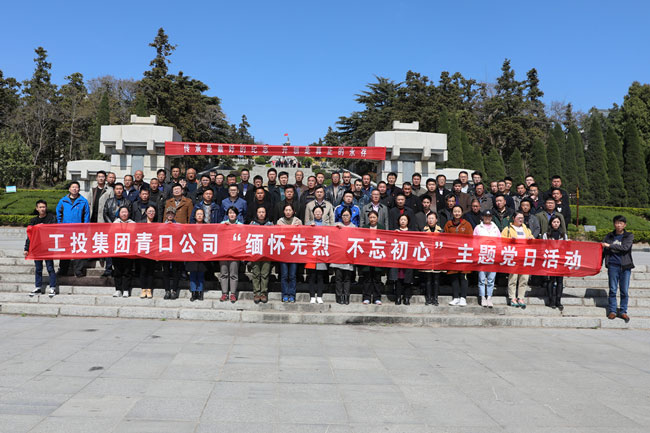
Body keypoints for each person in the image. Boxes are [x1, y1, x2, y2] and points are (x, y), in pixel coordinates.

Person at [602, 215, 634, 323]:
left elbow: (625, 248)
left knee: (624, 290)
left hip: (625, 266)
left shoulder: (629, 236)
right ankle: (612, 311)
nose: (618, 225)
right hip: (613, 266)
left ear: (624, 225)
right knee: (613, 289)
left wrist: (609, 246)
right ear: (614, 224)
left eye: (621, 223)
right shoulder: (609, 236)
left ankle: (623, 311)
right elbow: (602, 250)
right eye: (616, 223)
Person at [56, 182, 90, 278]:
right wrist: (60, 226)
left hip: (79, 231)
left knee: (79, 250)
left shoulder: (83, 201)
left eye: (76, 187)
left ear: (79, 189)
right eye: (73, 187)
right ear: (69, 189)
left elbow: (86, 216)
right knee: (65, 251)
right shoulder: (63, 201)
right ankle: (63, 269)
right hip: (65, 230)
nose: (75, 189)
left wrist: (85, 229)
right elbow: (58, 214)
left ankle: (78, 270)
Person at [25, 200, 57, 297]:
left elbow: (55, 229)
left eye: (44, 207)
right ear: (37, 208)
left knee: (50, 267)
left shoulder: (51, 218)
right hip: (37, 248)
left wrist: (43, 227)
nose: (42, 209)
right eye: (40, 207)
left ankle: (52, 287)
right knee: (38, 268)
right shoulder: (33, 221)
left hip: (47, 247)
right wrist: (26, 248)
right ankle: (38, 287)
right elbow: (29, 236)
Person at [502, 211, 534, 308]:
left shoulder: (526, 229)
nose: (521, 219)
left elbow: (533, 240)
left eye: (522, 218)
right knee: (513, 278)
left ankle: (521, 297)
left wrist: (531, 238)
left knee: (524, 278)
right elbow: (501, 241)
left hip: (524, 257)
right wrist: (509, 240)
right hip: (513, 256)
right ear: (513, 218)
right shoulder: (507, 229)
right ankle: (512, 297)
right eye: (519, 217)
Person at [444, 205, 473, 306]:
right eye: (455, 211)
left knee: (463, 276)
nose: (457, 213)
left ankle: (463, 297)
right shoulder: (448, 224)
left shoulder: (467, 224)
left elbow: (471, 239)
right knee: (454, 276)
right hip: (452, 254)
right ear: (452, 213)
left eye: (459, 211)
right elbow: (445, 238)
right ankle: (456, 297)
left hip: (464, 254)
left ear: (462, 212)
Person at [473, 210, 501, 308]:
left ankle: (489, 297)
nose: (487, 218)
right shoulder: (478, 228)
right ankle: (482, 297)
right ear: (482, 217)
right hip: (482, 254)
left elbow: (499, 242)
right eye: (485, 216)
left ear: (491, 217)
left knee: (491, 279)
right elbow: (474, 241)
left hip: (492, 255)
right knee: (481, 278)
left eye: (489, 216)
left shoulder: (495, 228)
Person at [276, 204, 302, 303]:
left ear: (293, 211)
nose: (288, 212)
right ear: (283, 211)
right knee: (284, 275)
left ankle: (292, 295)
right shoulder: (279, 221)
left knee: (292, 275)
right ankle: (284, 294)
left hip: (294, 252)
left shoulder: (298, 221)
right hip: (283, 252)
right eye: (286, 210)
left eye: (289, 210)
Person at [358, 210, 384, 305]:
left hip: (378, 256)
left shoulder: (382, 228)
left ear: (377, 218)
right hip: (367, 256)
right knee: (367, 278)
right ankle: (366, 297)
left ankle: (377, 297)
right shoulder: (365, 228)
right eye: (370, 217)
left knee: (377, 278)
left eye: (374, 217)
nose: (372, 219)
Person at [542, 215, 568, 310]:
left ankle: (558, 301)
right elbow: (543, 247)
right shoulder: (546, 235)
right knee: (551, 280)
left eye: (557, 222)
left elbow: (566, 247)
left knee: (560, 281)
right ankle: (551, 300)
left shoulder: (563, 235)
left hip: (560, 260)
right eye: (554, 222)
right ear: (551, 223)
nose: (556, 224)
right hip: (550, 259)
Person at [331, 208, 355, 304]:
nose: (345, 217)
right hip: (338, 256)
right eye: (344, 215)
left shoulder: (353, 227)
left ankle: (346, 296)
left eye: (347, 215)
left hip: (348, 256)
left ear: (351, 216)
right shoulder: (336, 225)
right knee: (338, 278)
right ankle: (339, 296)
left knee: (347, 278)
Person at [306, 206, 329, 304]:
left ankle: (319, 295)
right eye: (316, 212)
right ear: (313, 213)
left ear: (322, 213)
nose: (318, 213)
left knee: (320, 276)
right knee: (311, 275)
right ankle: (312, 296)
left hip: (321, 253)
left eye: (320, 212)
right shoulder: (308, 224)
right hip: (311, 253)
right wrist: (309, 228)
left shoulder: (326, 225)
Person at [249, 207, 273, 304]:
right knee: (256, 273)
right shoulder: (252, 224)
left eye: (263, 212)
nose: (261, 214)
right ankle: (256, 293)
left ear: (266, 213)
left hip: (267, 253)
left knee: (265, 274)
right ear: (257, 213)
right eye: (259, 212)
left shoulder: (270, 224)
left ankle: (263, 293)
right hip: (255, 252)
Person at [390, 214, 415, 305]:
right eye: (401, 220)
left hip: (408, 259)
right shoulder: (395, 231)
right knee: (398, 279)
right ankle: (398, 297)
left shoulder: (412, 232)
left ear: (408, 221)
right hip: (398, 258)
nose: (403, 221)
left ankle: (406, 297)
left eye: (405, 220)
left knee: (408, 279)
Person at [219, 207, 242, 302]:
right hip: (223, 252)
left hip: (235, 253)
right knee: (223, 273)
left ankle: (233, 293)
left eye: (233, 213)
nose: (232, 215)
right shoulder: (222, 224)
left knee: (233, 274)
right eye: (230, 213)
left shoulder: (240, 225)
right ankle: (224, 293)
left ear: (236, 215)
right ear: (227, 214)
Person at [112, 206, 135, 298]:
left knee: (127, 271)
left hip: (128, 251)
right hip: (117, 250)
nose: (124, 214)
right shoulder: (115, 223)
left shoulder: (133, 223)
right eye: (122, 212)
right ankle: (118, 289)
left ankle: (126, 289)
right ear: (119, 213)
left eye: (126, 212)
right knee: (117, 271)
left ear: (128, 213)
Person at [186, 208, 208, 302]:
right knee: (193, 273)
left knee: (201, 273)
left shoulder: (208, 227)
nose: (199, 216)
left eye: (201, 214)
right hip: (192, 253)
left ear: (204, 216)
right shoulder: (190, 226)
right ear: (195, 216)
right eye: (198, 214)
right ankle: (193, 292)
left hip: (203, 253)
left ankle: (200, 291)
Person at [422, 212, 442, 306]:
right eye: (429, 218)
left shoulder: (441, 231)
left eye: (432, 218)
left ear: (436, 220)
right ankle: (428, 298)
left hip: (437, 258)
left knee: (436, 280)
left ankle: (435, 298)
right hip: (427, 257)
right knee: (428, 279)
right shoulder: (423, 231)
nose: (431, 220)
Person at [162, 206, 182, 300]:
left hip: (175, 250)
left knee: (175, 271)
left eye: (172, 213)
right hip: (165, 250)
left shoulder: (179, 225)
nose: (170, 215)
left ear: (174, 215)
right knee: (165, 271)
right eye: (168, 213)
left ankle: (174, 290)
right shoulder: (162, 225)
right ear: (166, 215)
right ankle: (167, 290)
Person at [139, 205, 158, 299]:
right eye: (149, 211)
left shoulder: (157, 223)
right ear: (146, 212)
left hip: (153, 250)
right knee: (143, 270)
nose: (151, 213)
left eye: (153, 211)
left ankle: (149, 289)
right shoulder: (140, 223)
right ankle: (143, 289)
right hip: (143, 249)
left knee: (151, 271)